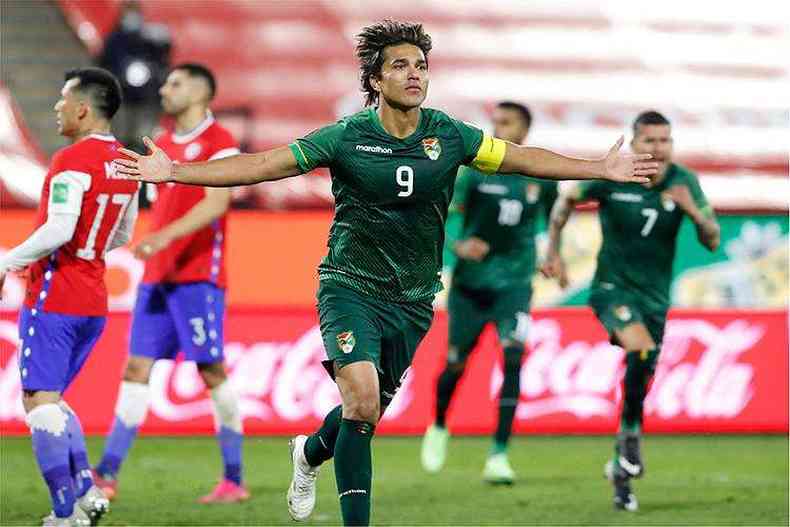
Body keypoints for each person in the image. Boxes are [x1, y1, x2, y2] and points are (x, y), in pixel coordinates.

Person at [111, 20, 657, 527]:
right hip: (350, 286)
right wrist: (177, 172)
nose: (414, 73)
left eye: (420, 65)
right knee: (363, 401)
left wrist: (598, 168)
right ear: (374, 79)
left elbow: (519, 157)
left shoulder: (450, 135)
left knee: (361, 414)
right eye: (399, 65)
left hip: (415, 299)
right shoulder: (345, 137)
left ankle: (307, 452)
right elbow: (262, 164)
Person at [541, 110, 720, 512]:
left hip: (655, 300)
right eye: (650, 141)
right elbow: (567, 197)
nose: (659, 149)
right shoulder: (616, 175)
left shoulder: (684, 182)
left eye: (666, 141)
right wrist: (553, 250)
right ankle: (631, 439)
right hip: (611, 289)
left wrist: (692, 210)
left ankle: (622, 466)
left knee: (642, 374)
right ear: (635, 143)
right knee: (639, 349)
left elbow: (712, 239)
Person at [91, 63, 246, 504]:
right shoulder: (158, 143)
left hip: (199, 278)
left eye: (175, 83)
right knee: (136, 368)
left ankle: (234, 478)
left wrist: (163, 236)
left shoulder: (220, 143)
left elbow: (216, 205)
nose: (164, 90)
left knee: (211, 371)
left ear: (201, 92)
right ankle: (107, 472)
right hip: (157, 276)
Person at [0, 67, 138, 526]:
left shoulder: (70, 160)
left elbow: (59, 227)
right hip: (93, 298)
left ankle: (65, 514)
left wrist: (7, 261)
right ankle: (87, 493)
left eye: (63, 100)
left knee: (39, 403)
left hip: (55, 294)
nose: (57, 108)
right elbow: (122, 233)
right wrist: (88, 247)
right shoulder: (126, 162)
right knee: (53, 399)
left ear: (82, 108)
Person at [420, 101, 557, 484]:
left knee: (514, 358)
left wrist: (551, 254)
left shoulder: (540, 176)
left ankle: (499, 454)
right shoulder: (474, 172)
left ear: (524, 131)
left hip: (514, 286)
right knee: (456, 364)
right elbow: (441, 215)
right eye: (494, 122)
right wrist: (458, 245)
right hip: (471, 286)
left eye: (506, 123)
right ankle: (440, 423)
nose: (497, 128)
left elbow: (548, 221)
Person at [98, 0, 171, 152]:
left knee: (142, 136)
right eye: (128, 12)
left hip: (146, 97)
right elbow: (104, 62)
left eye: (134, 12)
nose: (132, 17)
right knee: (119, 135)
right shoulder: (114, 39)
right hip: (121, 96)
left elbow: (162, 59)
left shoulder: (149, 38)